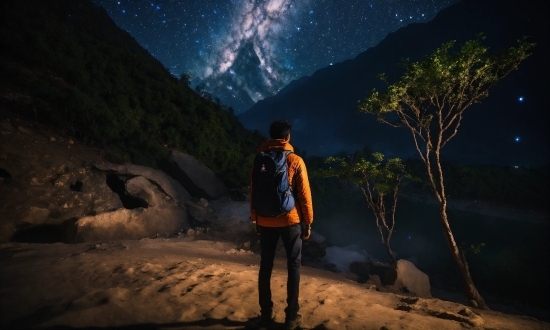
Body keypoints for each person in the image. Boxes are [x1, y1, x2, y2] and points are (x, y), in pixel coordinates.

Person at [250, 119, 314, 330]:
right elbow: (304, 196)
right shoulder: (295, 160)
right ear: (287, 137)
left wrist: (255, 219)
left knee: (265, 266)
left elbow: (253, 192)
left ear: (270, 136)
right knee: (293, 265)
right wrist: (308, 222)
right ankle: (291, 317)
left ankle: (266, 314)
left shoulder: (259, 159)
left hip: (266, 220)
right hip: (290, 221)